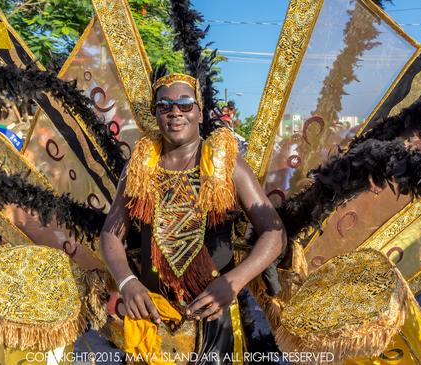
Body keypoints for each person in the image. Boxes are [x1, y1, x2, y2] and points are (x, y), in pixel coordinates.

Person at [100, 72, 286, 363]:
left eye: (185, 104)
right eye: (165, 105)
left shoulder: (228, 165)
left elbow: (274, 234)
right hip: (152, 315)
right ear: (156, 114)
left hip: (215, 315)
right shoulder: (138, 168)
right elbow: (111, 234)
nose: (175, 112)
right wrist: (127, 283)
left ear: (199, 113)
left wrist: (233, 282)